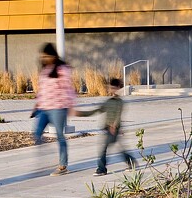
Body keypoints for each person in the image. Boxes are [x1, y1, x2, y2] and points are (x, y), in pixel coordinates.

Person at [76, 78, 137, 176]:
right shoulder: (108, 101)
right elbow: (97, 110)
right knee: (119, 148)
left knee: (104, 148)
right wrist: (81, 114)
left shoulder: (119, 102)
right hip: (107, 128)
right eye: (110, 87)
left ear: (118, 88)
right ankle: (131, 163)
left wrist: (114, 125)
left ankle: (102, 169)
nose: (111, 89)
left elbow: (118, 114)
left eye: (113, 87)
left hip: (113, 129)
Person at [32, 43, 77, 176]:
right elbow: (42, 90)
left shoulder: (62, 69)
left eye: (47, 56)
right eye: (43, 56)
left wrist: (71, 106)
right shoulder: (45, 70)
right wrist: (37, 105)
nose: (45, 58)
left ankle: (63, 165)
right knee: (37, 133)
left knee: (59, 136)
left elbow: (68, 90)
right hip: (44, 108)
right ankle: (49, 157)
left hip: (58, 108)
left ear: (53, 55)